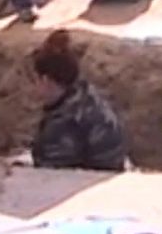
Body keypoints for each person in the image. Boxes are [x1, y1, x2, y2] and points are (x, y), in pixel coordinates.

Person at [27, 31, 127, 172]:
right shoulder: (84, 95)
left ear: (46, 80)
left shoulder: (64, 123)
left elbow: (50, 173)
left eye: (34, 80)